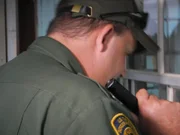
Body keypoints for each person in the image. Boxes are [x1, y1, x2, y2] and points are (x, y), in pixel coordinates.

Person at [0, 0, 178, 135]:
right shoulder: (92, 106)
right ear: (105, 38)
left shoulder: (6, 73)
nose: (123, 71)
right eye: (125, 52)